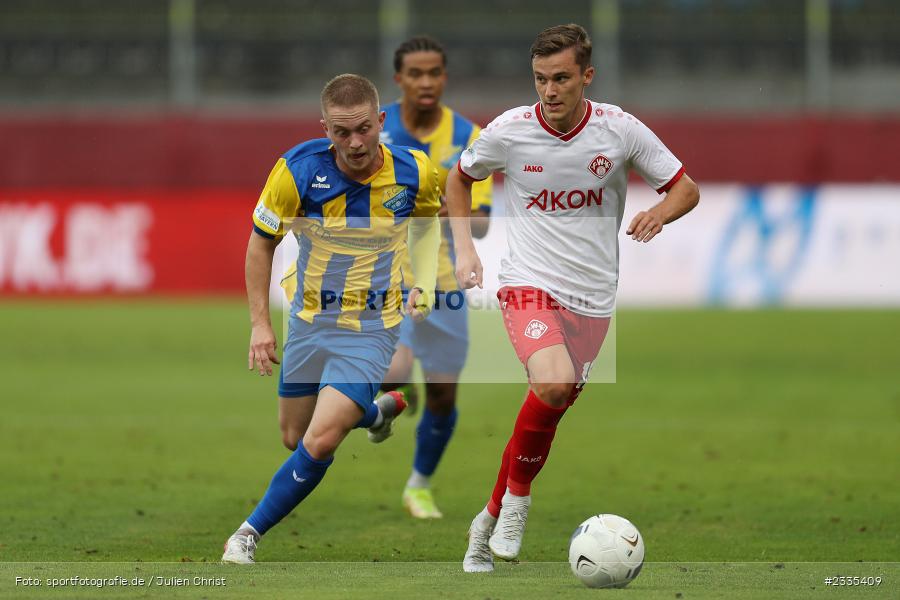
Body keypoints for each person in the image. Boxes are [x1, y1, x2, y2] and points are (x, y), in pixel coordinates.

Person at [446, 24, 700, 572]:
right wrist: (465, 249)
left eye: (561, 78)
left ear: (587, 76)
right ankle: (517, 501)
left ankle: (484, 523)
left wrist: (658, 212)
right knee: (553, 382)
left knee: (548, 407)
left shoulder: (619, 130)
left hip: (593, 299)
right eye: (540, 79)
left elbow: (685, 187)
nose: (550, 90)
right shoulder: (510, 131)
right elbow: (459, 178)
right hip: (528, 283)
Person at [222, 73, 441, 564]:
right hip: (308, 319)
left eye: (363, 128)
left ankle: (245, 536)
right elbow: (261, 245)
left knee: (320, 441)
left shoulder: (414, 172)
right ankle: (375, 412)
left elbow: (429, 224)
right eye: (341, 132)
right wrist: (261, 324)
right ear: (325, 128)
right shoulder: (296, 171)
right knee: (295, 438)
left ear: (380, 121)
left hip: (371, 327)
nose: (355, 142)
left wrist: (422, 281)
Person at [380, 35, 493, 519]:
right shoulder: (374, 129)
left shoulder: (473, 138)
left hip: (445, 282)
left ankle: (419, 485)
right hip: (386, 276)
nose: (426, 82)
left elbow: (483, 222)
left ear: (444, 77)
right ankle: (385, 400)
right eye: (416, 74)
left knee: (443, 397)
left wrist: (433, 207)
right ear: (399, 79)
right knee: (397, 371)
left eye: (434, 73)